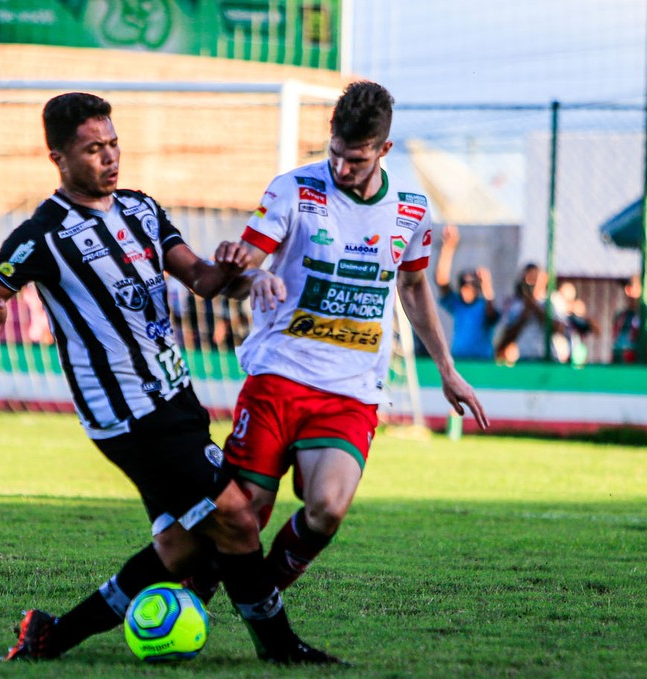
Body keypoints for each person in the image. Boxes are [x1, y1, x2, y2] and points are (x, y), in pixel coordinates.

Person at [0, 92, 339, 664]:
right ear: (58, 157)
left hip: (176, 399)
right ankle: (280, 649)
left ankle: (52, 635)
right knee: (235, 518)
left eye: (113, 145)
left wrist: (241, 273)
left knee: (181, 550)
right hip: (128, 414)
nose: (109, 158)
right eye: (93, 150)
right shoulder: (44, 233)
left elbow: (203, 280)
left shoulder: (141, 210)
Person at [217, 81, 488, 594]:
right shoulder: (292, 190)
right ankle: (195, 593)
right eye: (336, 154)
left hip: (351, 388)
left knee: (328, 511)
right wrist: (255, 277)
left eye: (357, 160)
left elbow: (412, 287)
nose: (342, 169)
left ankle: (261, 596)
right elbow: (231, 276)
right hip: (280, 373)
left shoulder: (410, 210)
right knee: (243, 513)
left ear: (384, 150)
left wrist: (448, 371)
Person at [434, 223, 498, 360]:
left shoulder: (483, 305)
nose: (466, 290)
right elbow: (441, 280)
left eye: (471, 285)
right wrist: (448, 247)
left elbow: (492, 314)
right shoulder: (457, 304)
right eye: (463, 285)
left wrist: (487, 285)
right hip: (459, 360)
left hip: (483, 362)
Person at [495, 263, 551, 364]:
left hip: (548, 359)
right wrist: (523, 316)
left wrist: (534, 305)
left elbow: (557, 328)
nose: (531, 283)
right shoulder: (515, 305)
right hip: (523, 358)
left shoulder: (551, 302)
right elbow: (505, 337)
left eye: (535, 278)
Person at [611, 274, 647, 364]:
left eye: (630, 287)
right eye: (625, 287)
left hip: (644, 371)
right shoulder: (621, 317)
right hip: (621, 370)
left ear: (642, 289)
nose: (626, 292)